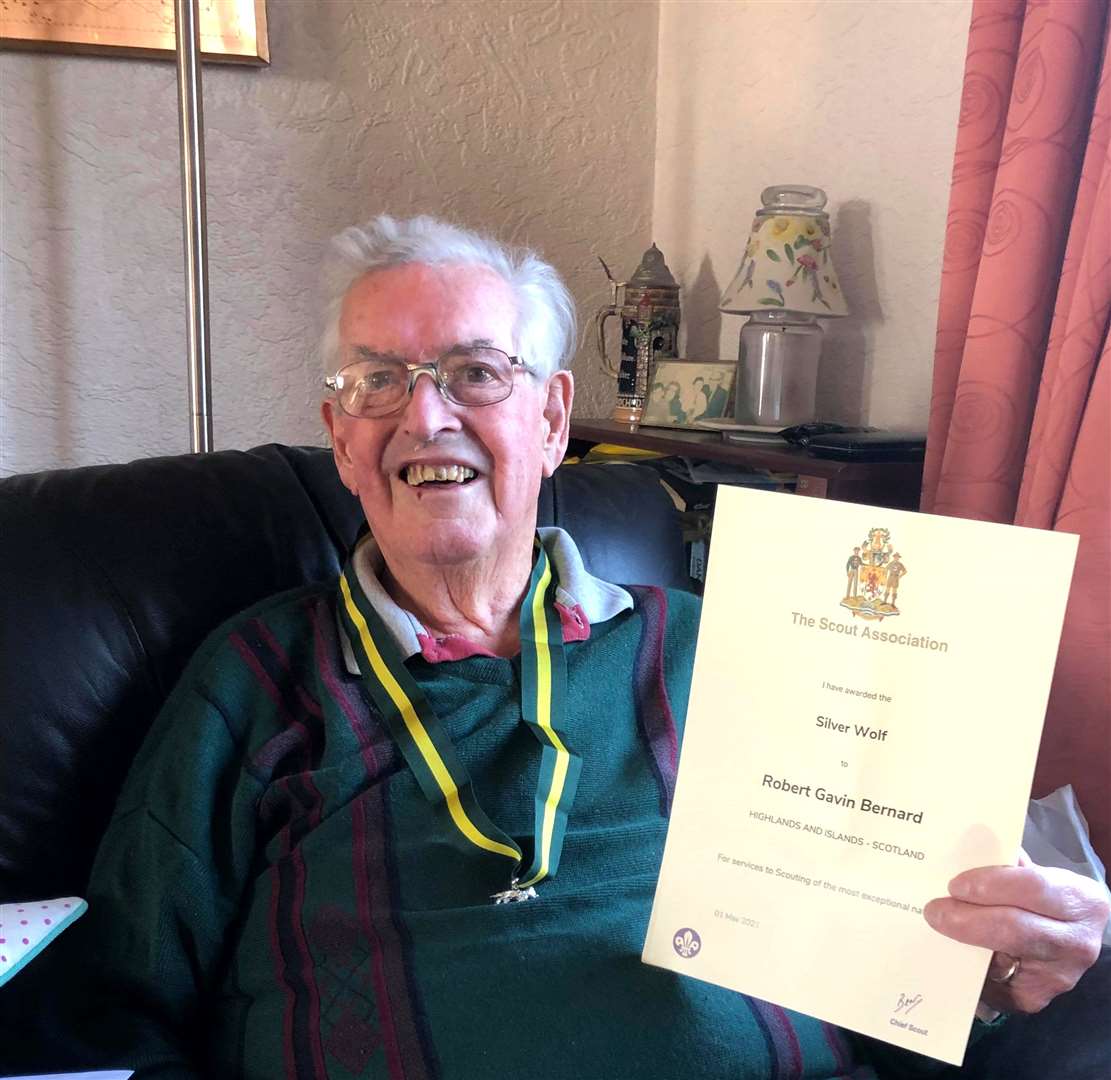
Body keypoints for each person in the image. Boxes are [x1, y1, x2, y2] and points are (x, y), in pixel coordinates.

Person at [17, 216, 1108, 1079]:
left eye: (475, 373)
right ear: (342, 439)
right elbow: (114, 1001)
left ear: (550, 418)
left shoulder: (726, 646)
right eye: (378, 382)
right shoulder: (252, 683)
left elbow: (893, 955)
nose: (425, 416)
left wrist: (994, 968)